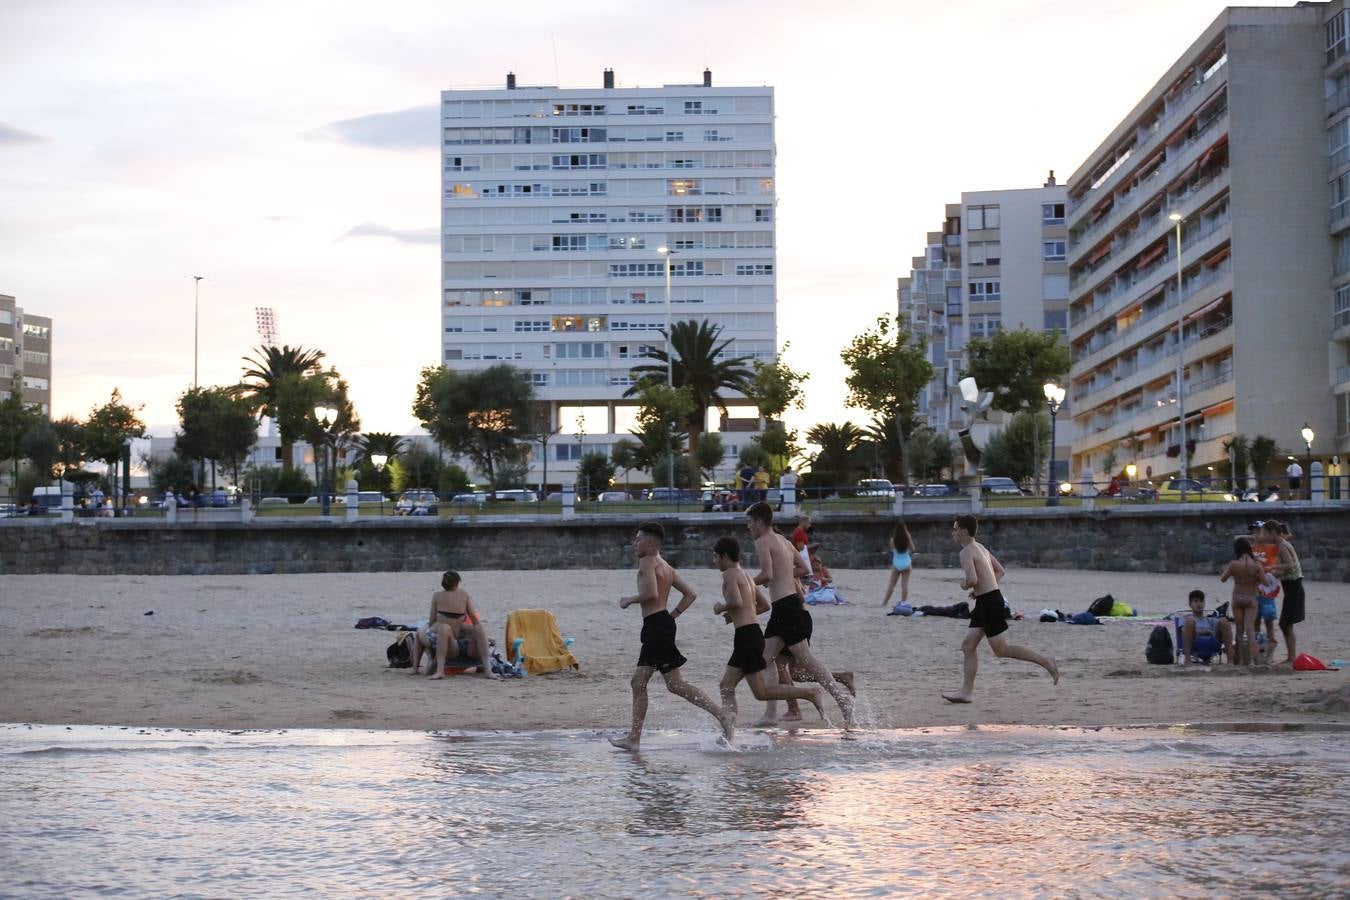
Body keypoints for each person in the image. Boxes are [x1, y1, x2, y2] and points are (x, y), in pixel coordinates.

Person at [609, 522, 733, 751]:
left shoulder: (647, 561)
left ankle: (722, 715)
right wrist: (671, 616)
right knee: (657, 683)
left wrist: (629, 599)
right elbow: (691, 594)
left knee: (657, 683)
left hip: (656, 626)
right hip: (661, 624)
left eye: (638, 539)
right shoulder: (665, 565)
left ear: (650, 542)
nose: (634, 543)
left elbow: (651, 593)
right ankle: (635, 739)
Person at [745, 501, 856, 727]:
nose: (748, 527)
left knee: (804, 660)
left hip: (787, 608)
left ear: (758, 521)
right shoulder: (784, 542)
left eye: (749, 522)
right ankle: (771, 714)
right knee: (768, 659)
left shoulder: (763, 541)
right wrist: (783, 576)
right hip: (788, 606)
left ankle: (841, 699)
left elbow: (766, 574)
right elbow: (804, 569)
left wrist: (745, 582)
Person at [942, 514, 1059, 703]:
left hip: (989, 602)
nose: (953, 533)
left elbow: (972, 579)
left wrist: (965, 586)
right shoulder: (981, 548)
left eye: (955, 529)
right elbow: (1000, 571)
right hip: (987, 599)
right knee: (968, 646)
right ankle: (966, 693)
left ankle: (1046, 662)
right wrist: (981, 590)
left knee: (1001, 649)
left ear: (963, 531)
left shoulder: (966, 552)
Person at [711, 536, 824, 722]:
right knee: (726, 685)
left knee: (760, 692)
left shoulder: (729, 575)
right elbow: (763, 605)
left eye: (715, 557)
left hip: (746, 638)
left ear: (725, 556)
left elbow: (735, 601)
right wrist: (737, 616)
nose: (714, 561)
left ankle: (810, 693)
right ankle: (728, 729)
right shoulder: (746, 576)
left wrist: (721, 608)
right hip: (751, 634)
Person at [413, 571, 497, 681]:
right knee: (478, 627)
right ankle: (488, 671)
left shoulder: (437, 596)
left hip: (444, 637)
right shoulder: (464, 594)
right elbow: (474, 618)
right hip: (455, 635)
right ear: (457, 583)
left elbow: (432, 620)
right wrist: (484, 636)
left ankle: (420, 669)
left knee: (421, 632)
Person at [1262, 519, 1305, 666]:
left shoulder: (1281, 545)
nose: (1265, 537)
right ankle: (1291, 657)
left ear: (1273, 533)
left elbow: (1289, 565)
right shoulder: (1281, 544)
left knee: (1285, 623)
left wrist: (1271, 567)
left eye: (1266, 533)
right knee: (1286, 623)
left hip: (1294, 587)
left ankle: (1291, 657)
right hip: (1291, 587)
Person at [1219, 537, 1264, 665]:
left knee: (1239, 631)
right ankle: (1256, 661)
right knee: (1250, 630)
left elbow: (1223, 579)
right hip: (1250, 596)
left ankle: (1239, 660)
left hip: (1237, 597)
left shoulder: (1234, 564)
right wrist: (1256, 578)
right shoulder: (1256, 565)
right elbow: (1265, 582)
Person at [1179, 589, 1235, 665]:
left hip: (1212, 644)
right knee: (1190, 622)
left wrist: (1210, 631)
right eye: (1196, 601)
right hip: (1194, 644)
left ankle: (1230, 660)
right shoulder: (1185, 619)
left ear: (1204, 603)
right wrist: (1204, 631)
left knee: (1224, 621)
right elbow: (1183, 631)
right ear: (1190, 604)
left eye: (1201, 601)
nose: (1199, 604)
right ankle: (1187, 660)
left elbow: (1219, 630)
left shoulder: (1210, 619)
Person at [880, 521, 914, 608]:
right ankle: (903, 602)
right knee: (904, 585)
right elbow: (913, 549)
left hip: (897, 563)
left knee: (892, 584)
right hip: (906, 562)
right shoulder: (907, 538)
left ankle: (885, 602)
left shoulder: (893, 540)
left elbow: (892, 550)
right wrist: (907, 551)